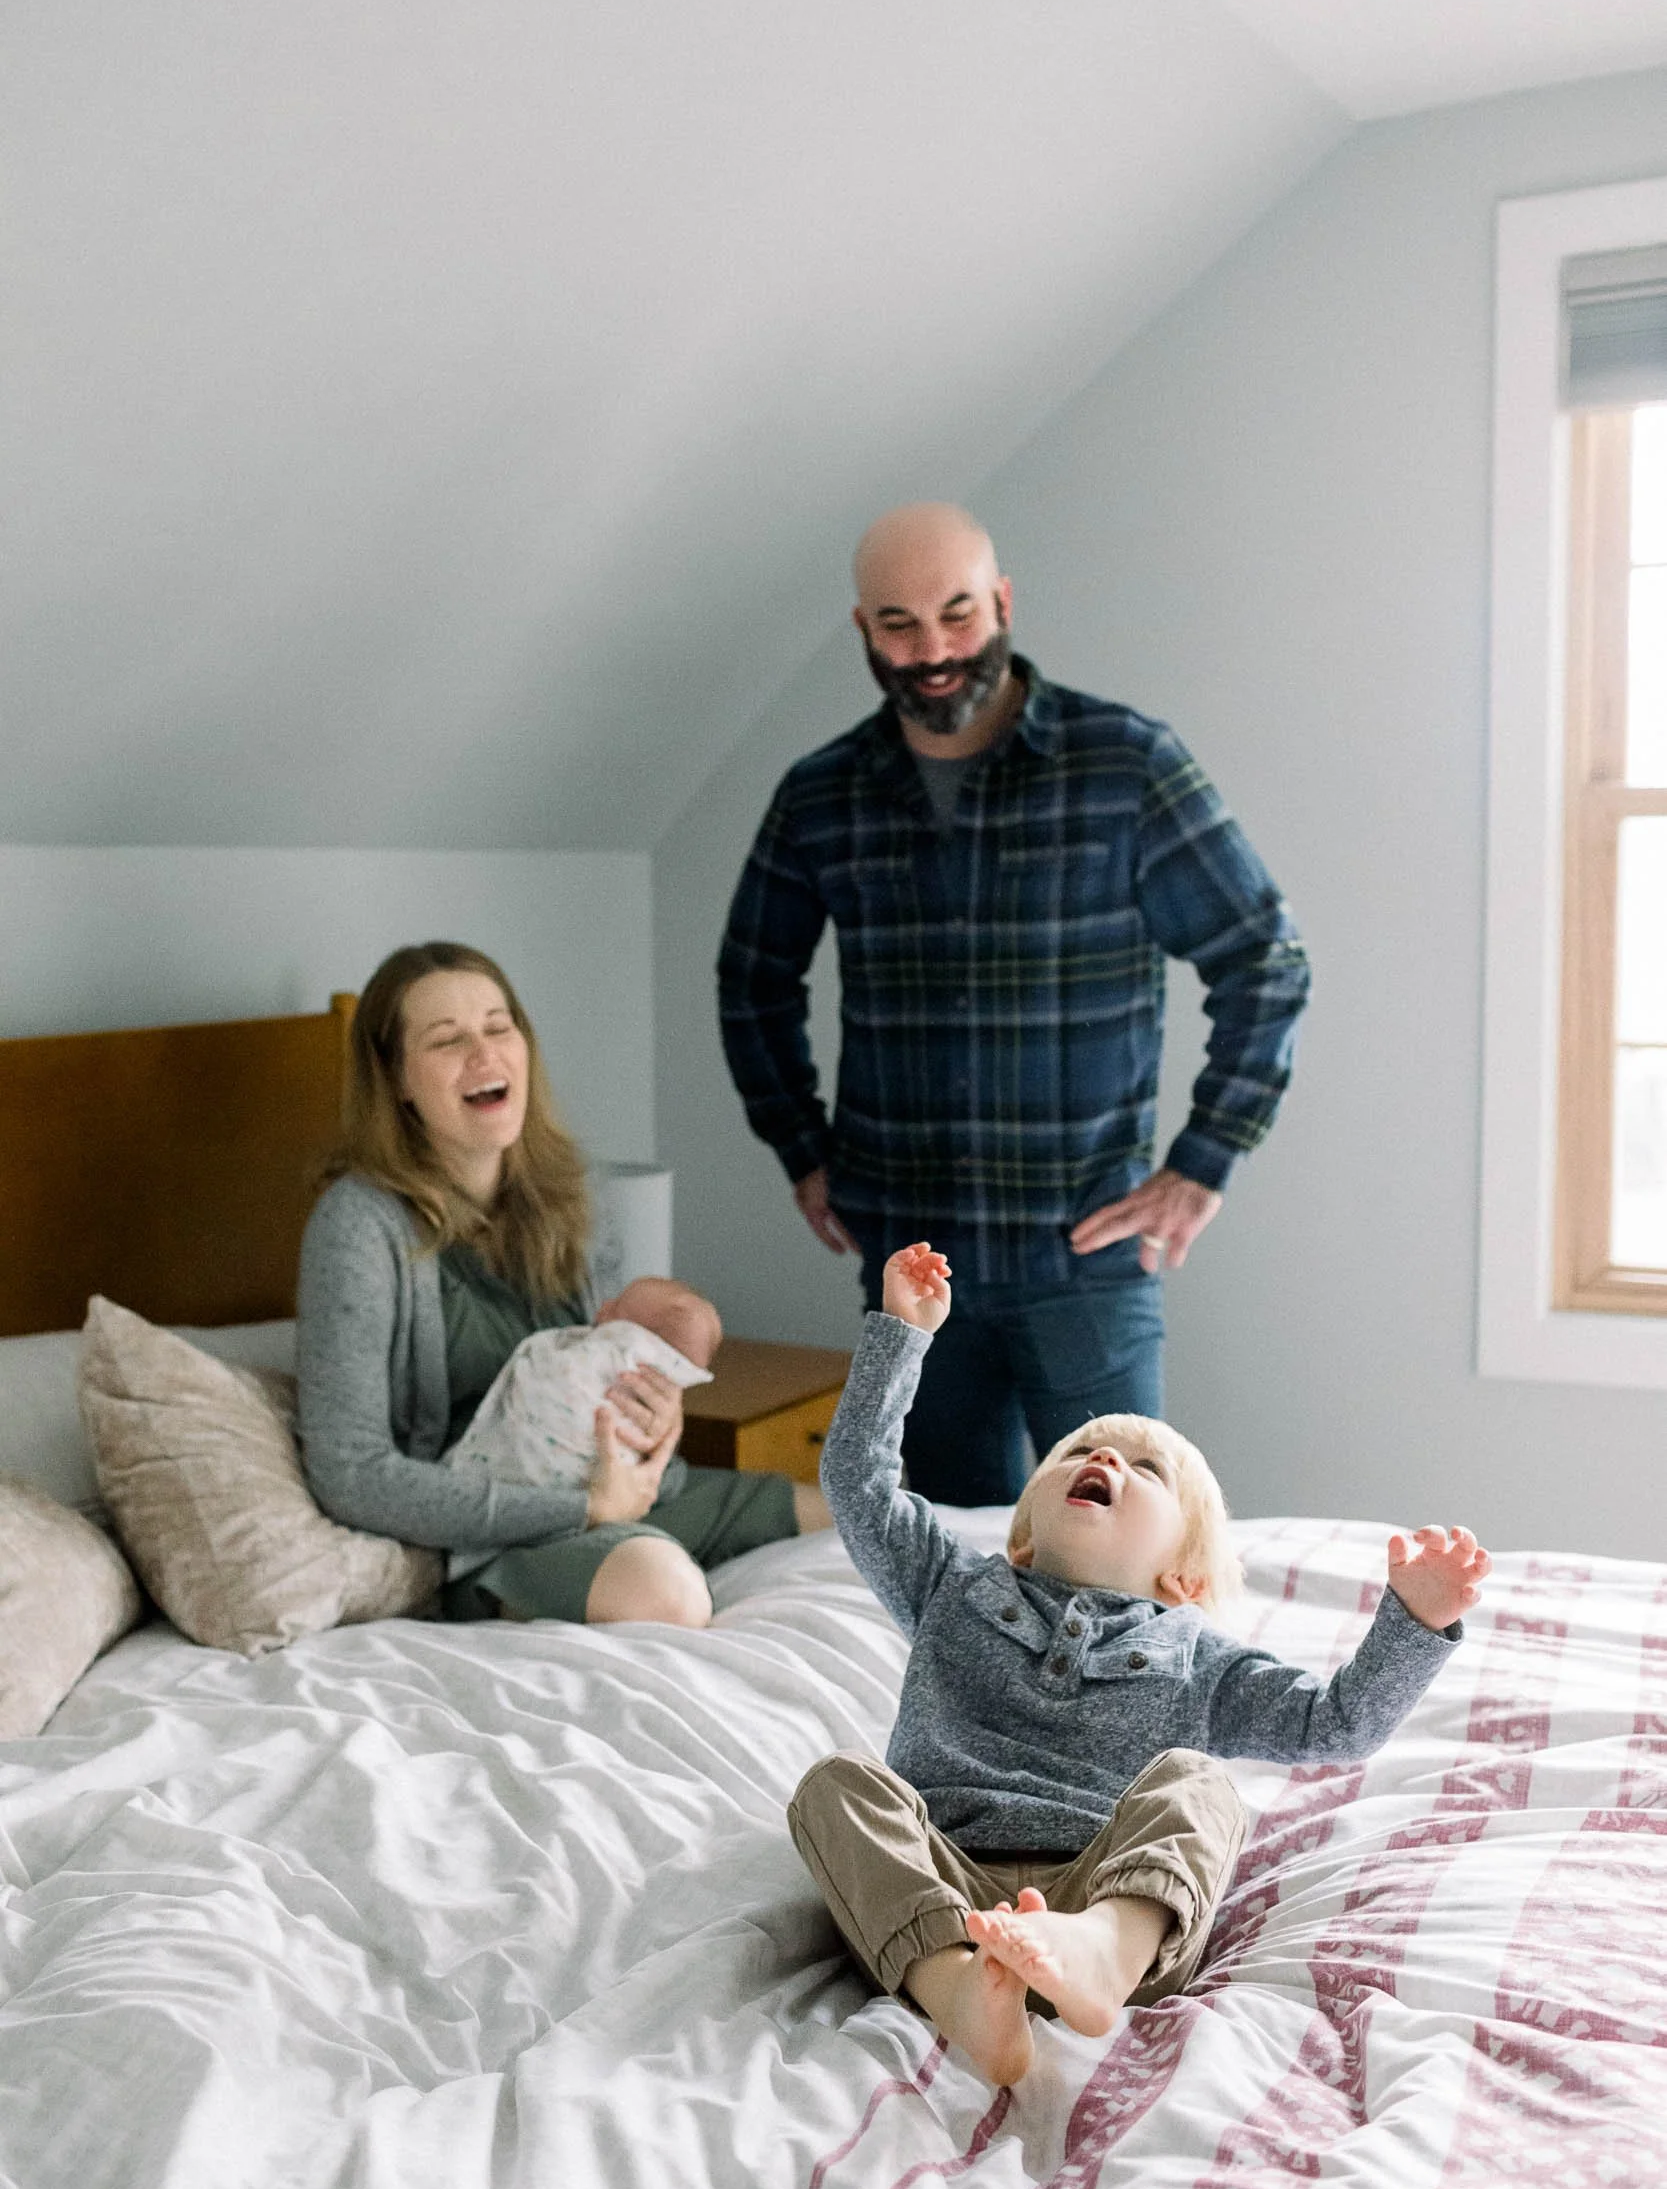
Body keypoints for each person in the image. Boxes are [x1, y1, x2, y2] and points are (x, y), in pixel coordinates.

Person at [718, 502, 1312, 1504]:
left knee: (1121, 1562)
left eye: (956, 615)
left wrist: (1201, 1164)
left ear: (1000, 603)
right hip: (909, 1272)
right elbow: (752, 978)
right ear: (862, 630)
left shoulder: (1124, 765)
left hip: (1082, 1261)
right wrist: (800, 1147)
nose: (934, 651)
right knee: (943, 1569)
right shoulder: (822, 794)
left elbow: (1262, 957)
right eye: (899, 625)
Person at [789, 1242, 1488, 2086]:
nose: (1103, 1460)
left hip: (1108, 1885)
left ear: (1183, 1578)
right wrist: (903, 1335)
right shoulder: (951, 1586)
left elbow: (1337, 1723)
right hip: (946, 1886)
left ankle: (1098, 1955)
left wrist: (1413, 1619)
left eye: (1144, 1468)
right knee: (836, 1785)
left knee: (1196, 1781)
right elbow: (858, 1480)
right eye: (1073, 1454)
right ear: (1018, 1537)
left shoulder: (1197, 1657)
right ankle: (959, 1991)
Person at [296, 942, 829, 1627]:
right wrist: (583, 1511)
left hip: (616, 1498)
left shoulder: (567, 1196)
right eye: (446, 1040)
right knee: (664, 1590)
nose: (484, 1055)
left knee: (853, 1517)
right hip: (488, 1541)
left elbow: (612, 1378)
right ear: (395, 1078)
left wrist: (654, 1424)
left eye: (497, 1026)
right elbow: (351, 1474)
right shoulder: (359, 1224)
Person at [446, 1275, 720, 1489]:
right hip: (526, 1502)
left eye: (616, 1308)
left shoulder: (617, 1359)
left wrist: (663, 1440)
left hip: (616, 1490)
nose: (603, 1306)